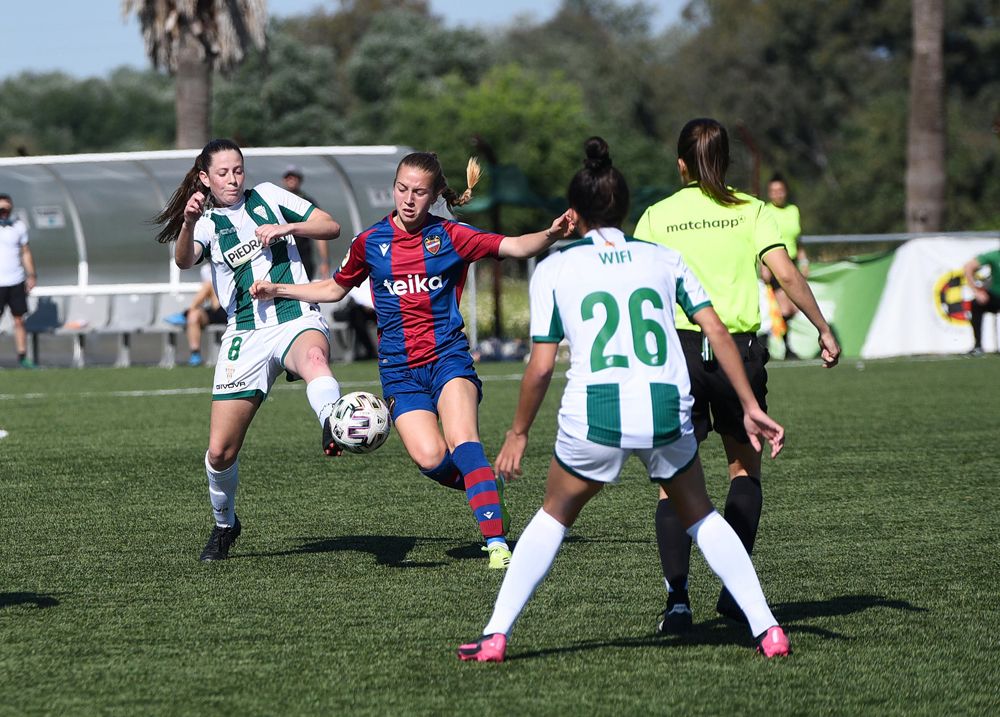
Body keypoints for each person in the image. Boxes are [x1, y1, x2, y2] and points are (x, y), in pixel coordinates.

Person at [456, 138, 790, 663]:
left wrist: (517, 433)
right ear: (626, 208)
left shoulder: (557, 267)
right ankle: (768, 629)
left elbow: (541, 365)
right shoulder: (663, 258)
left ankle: (497, 635)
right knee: (702, 515)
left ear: (574, 212)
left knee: (553, 517)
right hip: (664, 409)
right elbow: (718, 333)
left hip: (595, 416)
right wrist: (749, 403)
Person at [250, 151, 575, 569]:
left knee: (464, 443)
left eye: (419, 192)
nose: (408, 199)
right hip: (400, 373)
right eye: (402, 188)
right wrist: (279, 290)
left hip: (448, 359)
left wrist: (550, 233)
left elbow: (514, 246)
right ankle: (486, 491)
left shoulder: (452, 236)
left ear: (435, 194)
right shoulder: (370, 242)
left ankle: (496, 541)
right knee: (431, 460)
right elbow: (334, 289)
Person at [633, 118, 840, 634]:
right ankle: (733, 591)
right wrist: (822, 327)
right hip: (739, 354)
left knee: (671, 486)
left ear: (680, 164)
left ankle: (677, 603)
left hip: (677, 351)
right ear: (724, 163)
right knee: (744, 473)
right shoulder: (754, 210)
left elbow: (636, 287)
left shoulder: (658, 215)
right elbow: (786, 273)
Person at [153, 138, 344, 562]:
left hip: (295, 316)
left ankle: (334, 421)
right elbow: (185, 261)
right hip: (245, 333)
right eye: (222, 173)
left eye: (237, 169)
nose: (233, 179)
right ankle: (225, 525)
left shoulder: (271, 197)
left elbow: (330, 226)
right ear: (204, 178)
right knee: (220, 452)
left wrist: (287, 228)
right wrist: (186, 223)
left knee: (315, 359)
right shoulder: (204, 222)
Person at [762, 174, 809, 359]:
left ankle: (769, 339)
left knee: (794, 309)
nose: (777, 194)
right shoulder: (765, 211)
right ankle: (785, 346)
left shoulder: (793, 211)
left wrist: (804, 261)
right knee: (784, 309)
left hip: (793, 263)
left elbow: (798, 240)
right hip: (775, 264)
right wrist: (763, 265)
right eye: (773, 191)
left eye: (780, 190)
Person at [163, 263, 228, 366]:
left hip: (230, 309)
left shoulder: (232, 261)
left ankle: (185, 313)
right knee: (193, 316)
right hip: (215, 309)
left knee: (208, 286)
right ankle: (195, 354)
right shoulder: (206, 269)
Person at [0, 193, 38, 368]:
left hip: (15, 281)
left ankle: (23, 357)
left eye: (7, 208)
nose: (4, 212)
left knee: (19, 320)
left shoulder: (19, 227)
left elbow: (26, 252)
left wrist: (31, 275)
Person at [282, 165, 330, 280]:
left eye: (294, 177)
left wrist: (325, 261)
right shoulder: (278, 200)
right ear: (283, 180)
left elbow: (320, 231)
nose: (291, 180)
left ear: (300, 180)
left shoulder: (307, 202)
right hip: (283, 255)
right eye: (288, 177)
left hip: (303, 256)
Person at [963, 249, 1000, 355]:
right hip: (997, 296)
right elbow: (968, 267)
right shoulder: (994, 255)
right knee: (976, 304)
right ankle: (978, 346)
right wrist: (976, 291)